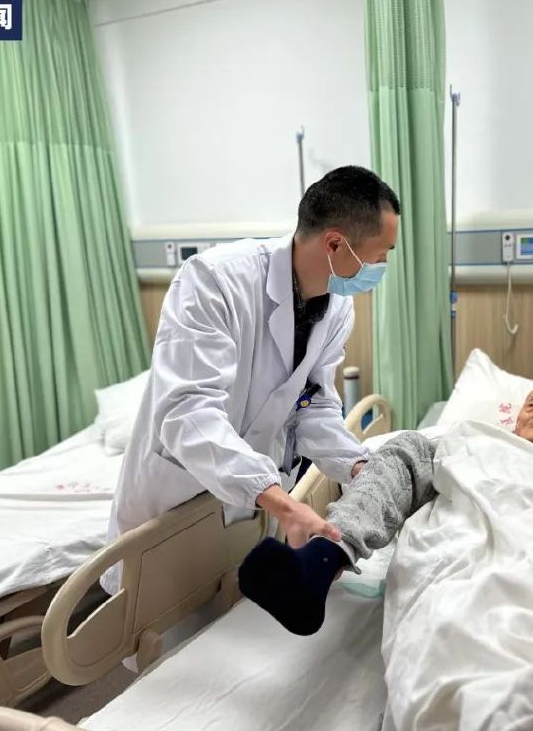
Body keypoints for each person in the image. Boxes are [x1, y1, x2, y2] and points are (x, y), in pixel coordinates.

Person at [102, 166, 400, 592]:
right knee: (163, 625)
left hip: (250, 510)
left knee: (233, 614)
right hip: (177, 498)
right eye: (381, 254)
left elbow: (310, 403)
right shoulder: (214, 281)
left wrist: (357, 465)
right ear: (335, 243)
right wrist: (280, 501)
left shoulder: (336, 308)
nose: (382, 266)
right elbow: (188, 413)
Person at [239, 384, 533, 634]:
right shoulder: (476, 442)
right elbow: (404, 475)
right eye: (531, 405)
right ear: (515, 421)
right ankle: (323, 559)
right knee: (406, 449)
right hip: (470, 544)